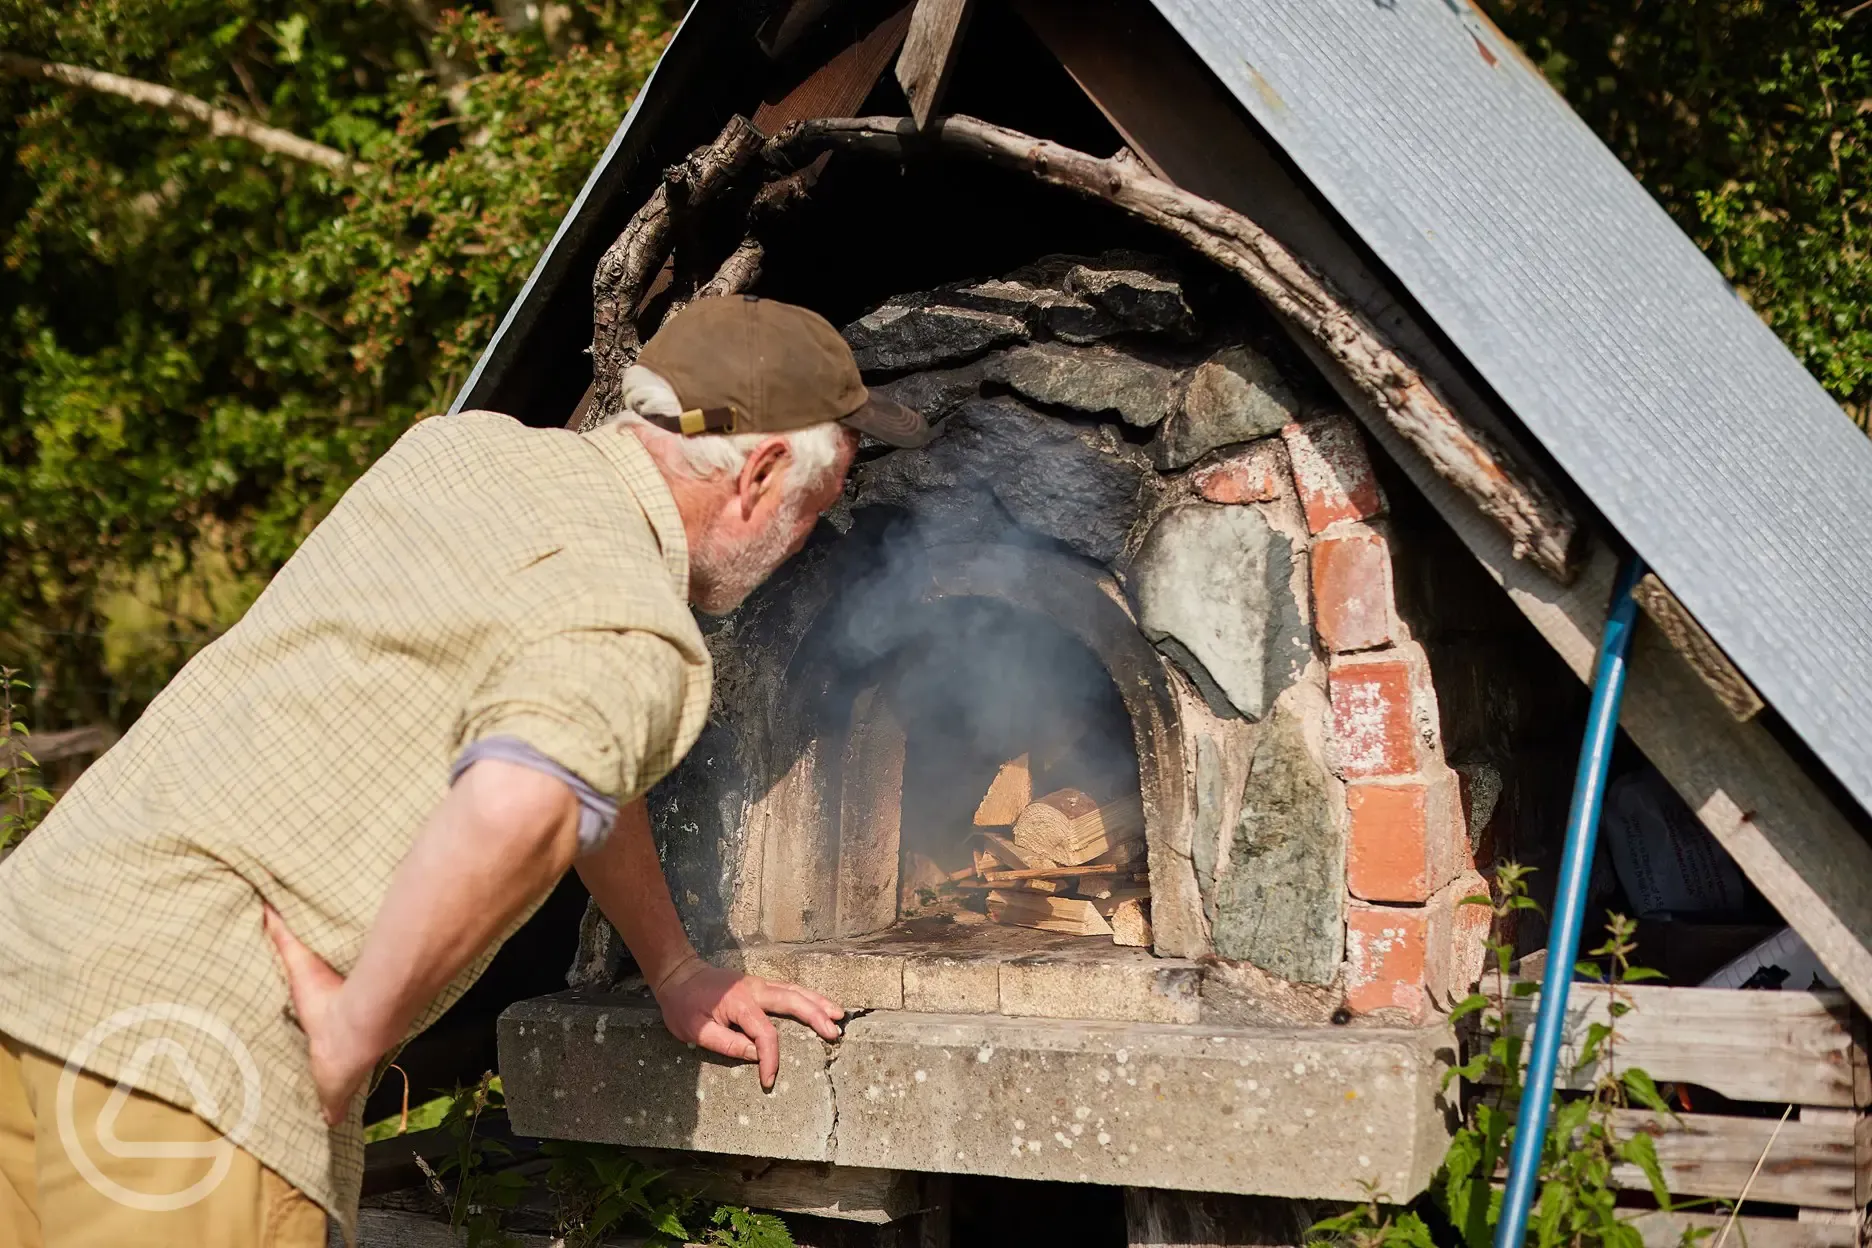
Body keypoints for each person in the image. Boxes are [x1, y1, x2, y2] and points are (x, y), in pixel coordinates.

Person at [0, 295, 931, 1247]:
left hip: (34, 961)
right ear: (762, 471)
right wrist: (353, 1034)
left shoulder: (458, 450)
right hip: (182, 1065)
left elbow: (583, 767)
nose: (808, 538)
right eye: (816, 508)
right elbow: (525, 798)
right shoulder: (633, 627)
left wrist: (676, 966)